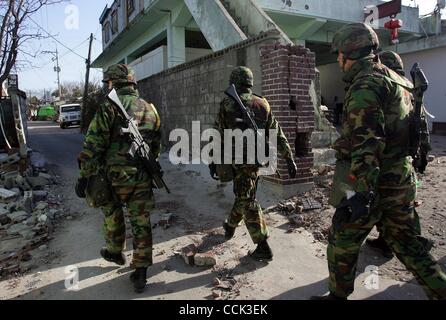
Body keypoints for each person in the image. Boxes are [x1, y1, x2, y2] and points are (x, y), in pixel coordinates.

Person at [312, 23, 446, 300]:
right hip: (401, 179)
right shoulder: (400, 81)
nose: (338, 60)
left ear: (350, 53)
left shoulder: (366, 83)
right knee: (409, 246)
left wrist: (361, 192)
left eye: (339, 55)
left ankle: (338, 295)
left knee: (342, 241)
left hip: (373, 183)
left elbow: (367, 142)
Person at [76, 64, 161, 293]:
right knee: (141, 222)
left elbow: (93, 145)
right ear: (133, 83)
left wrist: (84, 177)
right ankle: (141, 272)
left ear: (113, 83)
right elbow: (156, 146)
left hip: (112, 177)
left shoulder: (108, 107)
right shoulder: (150, 109)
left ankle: (115, 251)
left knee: (113, 214)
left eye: (109, 83)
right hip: (141, 176)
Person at [210, 66, 298, 261]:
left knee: (247, 199)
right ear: (250, 82)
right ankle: (231, 225)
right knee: (245, 193)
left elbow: (217, 134)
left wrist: (212, 159)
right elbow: (277, 131)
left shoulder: (227, 103)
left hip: (237, 160)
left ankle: (263, 246)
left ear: (234, 82)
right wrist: (288, 156)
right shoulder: (262, 104)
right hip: (256, 160)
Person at [366, 50, 433, 259]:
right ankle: (388, 241)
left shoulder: (387, 88)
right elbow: (422, 127)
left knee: (383, 204)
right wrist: (422, 155)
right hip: (407, 160)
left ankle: (412, 246)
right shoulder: (411, 90)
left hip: (388, 160)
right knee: (404, 204)